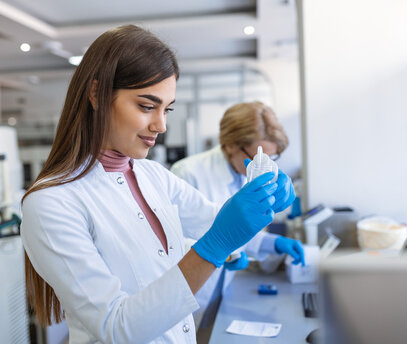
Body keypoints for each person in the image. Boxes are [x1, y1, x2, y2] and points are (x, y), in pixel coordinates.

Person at [20, 25, 295, 344]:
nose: (161, 125)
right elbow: (115, 326)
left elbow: (215, 220)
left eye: (167, 109)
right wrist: (215, 246)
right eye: (147, 106)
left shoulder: (153, 175)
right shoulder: (51, 203)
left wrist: (264, 201)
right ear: (96, 94)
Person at [170, 101, 305, 330]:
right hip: (193, 295)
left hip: (221, 288)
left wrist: (273, 243)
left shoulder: (246, 173)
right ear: (231, 145)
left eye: (271, 159)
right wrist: (228, 254)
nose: (263, 166)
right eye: (258, 157)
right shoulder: (187, 174)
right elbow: (174, 242)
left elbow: (236, 228)